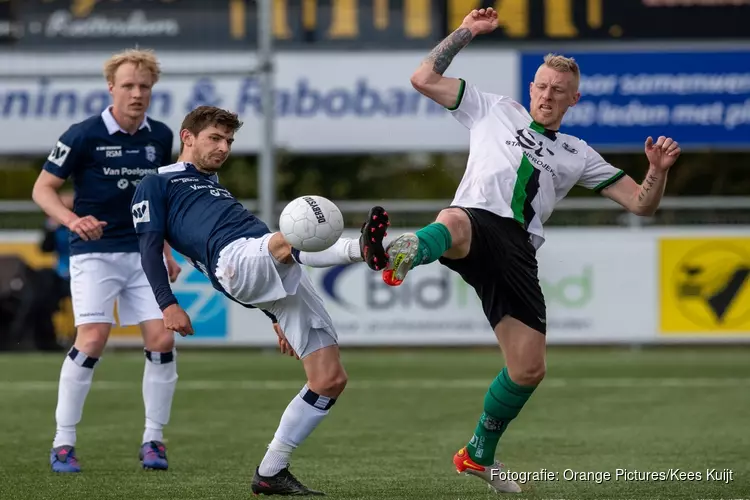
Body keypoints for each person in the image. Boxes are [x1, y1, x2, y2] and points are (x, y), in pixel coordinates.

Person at [379, 8, 681, 493]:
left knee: (528, 368)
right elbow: (422, 77)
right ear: (531, 88)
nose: (546, 95)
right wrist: (466, 32)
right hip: (475, 221)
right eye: (541, 86)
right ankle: (407, 253)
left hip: (516, 251)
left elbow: (641, 205)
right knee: (455, 219)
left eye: (558, 91)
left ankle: (478, 454)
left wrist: (658, 169)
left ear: (573, 99)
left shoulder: (579, 153)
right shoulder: (493, 108)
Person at [131, 105, 390, 496]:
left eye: (229, 141)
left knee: (329, 379)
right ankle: (359, 250)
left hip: (270, 265)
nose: (223, 148)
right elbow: (149, 248)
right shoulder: (156, 183)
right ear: (187, 137)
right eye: (214, 139)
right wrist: (167, 303)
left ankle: (271, 471)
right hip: (235, 260)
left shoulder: (215, 183)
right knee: (293, 230)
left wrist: (275, 314)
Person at [32, 49, 183, 473]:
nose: (137, 94)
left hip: (143, 253)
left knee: (162, 339)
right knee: (94, 337)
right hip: (94, 254)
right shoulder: (82, 134)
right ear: (111, 88)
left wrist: (167, 250)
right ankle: (64, 443)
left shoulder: (160, 136)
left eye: (145, 87)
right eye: (129, 85)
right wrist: (71, 221)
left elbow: (159, 200)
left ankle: (154, 440)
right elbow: (43, 189)